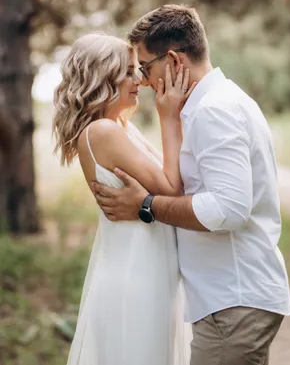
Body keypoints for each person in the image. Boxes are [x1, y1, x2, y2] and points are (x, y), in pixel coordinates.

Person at [92, 4, 290, 365]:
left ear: (172, 60)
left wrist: (146, 205)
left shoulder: (213, 110)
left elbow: (227, 210)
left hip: (234, 302)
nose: (145, 81)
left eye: (145, 67)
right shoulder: (219, 102)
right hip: (233, 299)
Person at [52, 32, 196, 365]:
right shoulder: (102, 131)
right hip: (135, 281)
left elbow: (171, 182)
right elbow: (172, 190)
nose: (140, 79)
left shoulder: (118, 127)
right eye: (129, 71)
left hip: (150, 274)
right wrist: (168, 117)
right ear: (101, 76)